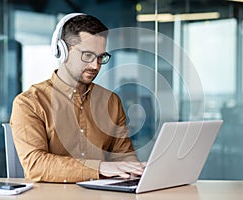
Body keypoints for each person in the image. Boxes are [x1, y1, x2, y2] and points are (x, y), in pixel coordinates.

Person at [10, 13, 145, 183]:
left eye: (101, 57)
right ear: (63, 50)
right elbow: (35, 165)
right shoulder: (29, 103)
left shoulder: (111, 102)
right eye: (87, 55)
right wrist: (99, 167)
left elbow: (123, 155)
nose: (95, 65)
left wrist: (135, 170)